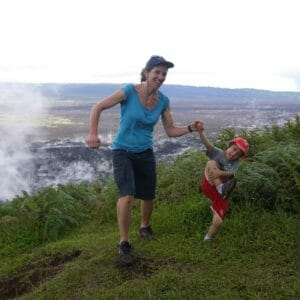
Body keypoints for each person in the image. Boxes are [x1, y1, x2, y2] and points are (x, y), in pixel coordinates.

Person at [86, 55, 200, 265]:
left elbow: (171, 130)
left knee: (148, 195)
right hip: (122, 151)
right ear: (147, 72)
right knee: (127, 194)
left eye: (164, 74)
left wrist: (191, 128)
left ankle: (144, 227)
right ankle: (124, 241)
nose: (160, 76)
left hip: (145, 151)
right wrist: (93, 133)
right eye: (157, 72)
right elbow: (97, 107)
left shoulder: (163, 101)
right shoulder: (129, 91)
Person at [196, 121, 249, 241]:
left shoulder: (236, 163)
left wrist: (221, 174)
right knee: (211, 162)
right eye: (234, 149)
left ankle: (208, 238)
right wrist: (200, 132)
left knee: (219, 221)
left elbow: (232, 173)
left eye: (238, 153)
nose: (234, 153)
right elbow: (207, 144)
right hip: (210, 184)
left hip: (221, 193)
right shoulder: (218, 153)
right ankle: (221, 188)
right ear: (229, 146)